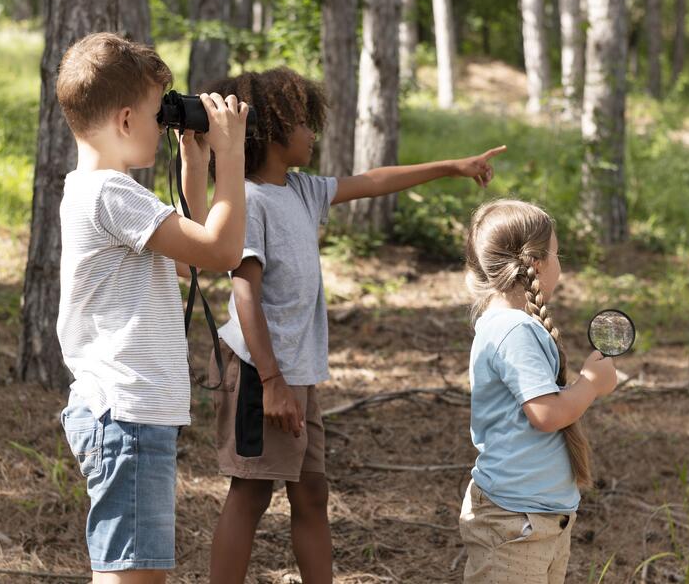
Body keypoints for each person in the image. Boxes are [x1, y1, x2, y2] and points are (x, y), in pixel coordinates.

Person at [205, 67, 506, 584]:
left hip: (296, 373)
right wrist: (272, 381)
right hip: (261, 372)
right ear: (274, 130)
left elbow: (373, 181)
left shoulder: (299, 190)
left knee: (311, 491)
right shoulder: (249, 200)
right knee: (251, 492)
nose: (313, 133)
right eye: (304, 122)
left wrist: (452, 167)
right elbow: (244, 291)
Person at [55, 31, 248, 583]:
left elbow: (188, 262)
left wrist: (195, 167)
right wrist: (231, 156)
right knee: (133, 577)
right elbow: (223, 252)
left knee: (133, 573)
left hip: (125, 412)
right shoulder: (112, 193)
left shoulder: (96, 190)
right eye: (155, 113)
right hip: (126, 413)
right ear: (124, 120)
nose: (163, 124)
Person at [459, 198, 618, 584]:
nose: (560, 264)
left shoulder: (507, 323)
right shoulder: (514, 330)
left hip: (538, 517)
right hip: (514, 523)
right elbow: (546, 414)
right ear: (536, 263)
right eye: (557, 254)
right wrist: (590, 384)